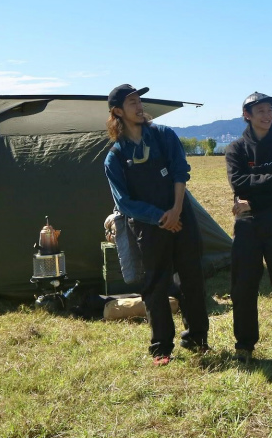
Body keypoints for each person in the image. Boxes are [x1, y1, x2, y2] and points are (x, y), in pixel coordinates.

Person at [103, 84, 209, 365]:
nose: (139, 106)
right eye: (131, 102)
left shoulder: (163, 136)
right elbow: (124, 202)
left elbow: (180, 172)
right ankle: (162, 347)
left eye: (139, 100)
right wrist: (161, 218)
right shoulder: (115, 156)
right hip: (148, 227)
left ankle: (197, 338)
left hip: (181, 217)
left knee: (192, 278)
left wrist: (175, 211)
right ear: (117, 112)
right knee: (155, 285)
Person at [224, 92, 272, 363]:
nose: (267, 115)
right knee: (243, 286)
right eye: (260, 110)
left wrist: (251, 201)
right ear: (247, 115)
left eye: (269, 109)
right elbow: (238, 184)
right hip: (247, 226)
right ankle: (244, 345)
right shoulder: (236, 149)